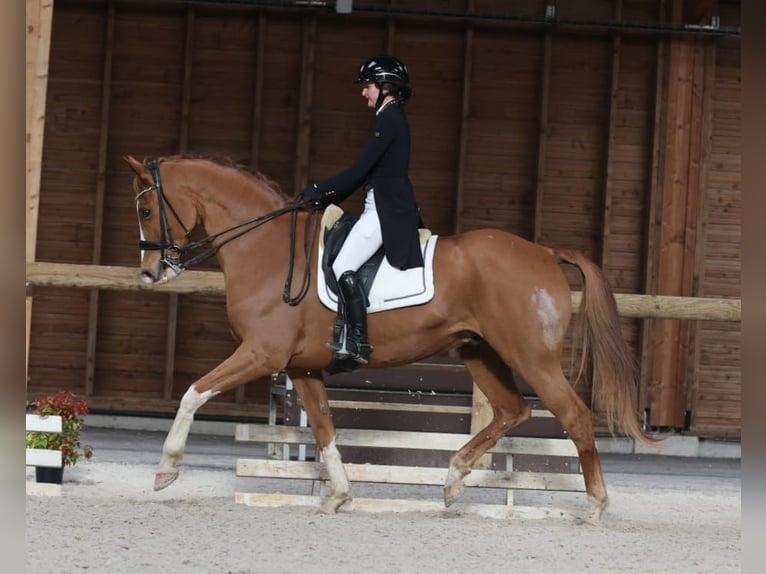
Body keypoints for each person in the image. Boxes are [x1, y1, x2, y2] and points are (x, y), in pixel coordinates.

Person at [299, 55, 424, 365]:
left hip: (385, 212)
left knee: (343, 267)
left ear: (385, 86)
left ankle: (358, 342)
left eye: (367, 86)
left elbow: (359, 170)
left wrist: (320, 190)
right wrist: (327, 196)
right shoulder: (387, 116)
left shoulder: (389, 119)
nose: (363, 92)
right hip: (378, 206)